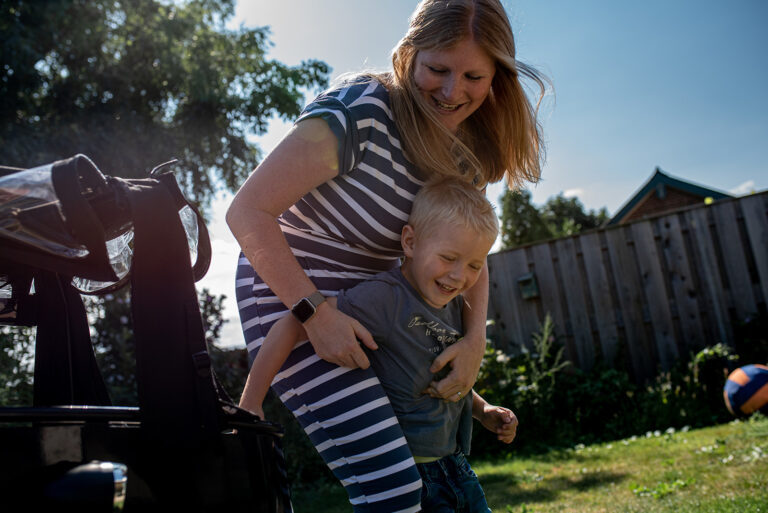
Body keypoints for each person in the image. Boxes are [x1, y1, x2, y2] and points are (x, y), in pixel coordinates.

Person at [227, 0, 545, 510]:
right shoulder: (362, 111)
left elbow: (470, 247)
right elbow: (247, 212)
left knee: (435, 473)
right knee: (395, 488)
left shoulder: (471, 151)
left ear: (498, 78)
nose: (450, 91)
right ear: (409, 54)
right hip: (291, 291)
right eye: (437, 69)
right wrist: (314, 312)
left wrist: (473, 342)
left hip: (381, 304)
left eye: (473, 76)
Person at [239, 178, 518, 512]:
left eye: (474, 265)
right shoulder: (385, 297)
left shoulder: (455, 305)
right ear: (410, 242)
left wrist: (482, 410)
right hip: (413, 476)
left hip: (455, 466)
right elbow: (291, 324)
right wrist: (251, 403)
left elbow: (437, 376)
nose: (460, 276)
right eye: (449, 257)